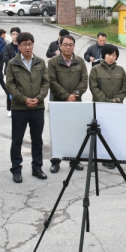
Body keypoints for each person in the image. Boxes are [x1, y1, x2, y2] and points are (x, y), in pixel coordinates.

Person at [6, 32, 49, 183]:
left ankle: (37, 167)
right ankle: (16, 169)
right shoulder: (13, 63)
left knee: (37, 140)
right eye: (24, 44)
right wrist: (24, 100)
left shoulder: (40, 62)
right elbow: (10, 85)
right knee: (17, 140)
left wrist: (38, 98)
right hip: (19, 108)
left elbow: (45, 83)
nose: (27, 47)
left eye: (30, 44)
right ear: (18, 46)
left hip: (38, 107)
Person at [48, 34, 88, 173]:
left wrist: (75, 95)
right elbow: (52, 81)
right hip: (59, 103)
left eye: (71, 44)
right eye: (65, 44)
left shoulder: (80, 61)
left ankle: (74, 160)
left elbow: (84, 81)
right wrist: (66, 96)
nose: (68, 47)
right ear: (60, 45)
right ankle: (55, 161)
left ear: (74, 46)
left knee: (75, 132)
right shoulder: (53, 62)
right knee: (58, 132)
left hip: (76, 103)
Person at [89, 43, 126, 169]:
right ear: (103, 55)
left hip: (116, 107)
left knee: (113, 133)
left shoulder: (120, 70)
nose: (111, 57)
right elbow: (94, 88)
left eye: (114, 55)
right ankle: (95, 159)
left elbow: (124, 87)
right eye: (109, 55)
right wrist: (106, 101)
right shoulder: (96, 70)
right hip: (100, 107)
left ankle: (110, 158)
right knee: (98, 133)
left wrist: (117, 99)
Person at [3, 27, 21, 117]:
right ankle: (9, 108)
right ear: (10, 35)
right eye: (13, 34)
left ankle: (19, 107)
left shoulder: (21, 46)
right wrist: (13, 64)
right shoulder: (7, 46)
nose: (15, 36)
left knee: (20, 89)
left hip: (21, 72)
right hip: (10, 72)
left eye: (17, 34)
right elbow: (5, 58)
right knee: (10, 90)